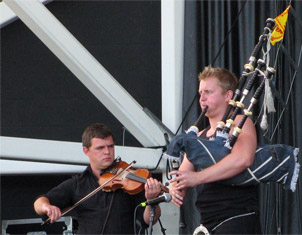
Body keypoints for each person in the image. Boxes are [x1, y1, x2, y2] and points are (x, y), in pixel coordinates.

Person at [169, 66, 261, 234]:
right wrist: (174, 188)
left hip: (237, 219)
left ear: (228, 96)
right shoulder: (199, 137)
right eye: (200, 93)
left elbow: (243, 159)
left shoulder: (240, 122)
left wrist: (197, 178)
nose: (202, 98)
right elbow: (182, 178)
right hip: (207, 222)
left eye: (208, 92)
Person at [34, 123, 162, 234]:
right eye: (100, 148)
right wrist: (46, 207)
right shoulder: (77, 184)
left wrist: (152, 200)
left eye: (110, 146)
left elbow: (149, 220)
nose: (107, 152)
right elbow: (39, 202)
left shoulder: (130, 181)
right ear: (86, 150)